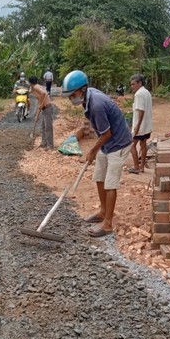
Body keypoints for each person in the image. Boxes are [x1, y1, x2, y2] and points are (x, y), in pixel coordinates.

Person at [61, 70, 132, 238]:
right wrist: (96, 150)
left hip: (119, 143)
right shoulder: (88, 97)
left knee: (110, 184)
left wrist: (92, 150)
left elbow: (107, 133)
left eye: (74, 95)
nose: (72, 98)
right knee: (99, 177)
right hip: (107, 143)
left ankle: (107, 224)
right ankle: (102, 212)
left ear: (83, 89)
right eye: (70, 96)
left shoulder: (96, 105)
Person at [129, 74, 153, 173]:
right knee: (143, 146)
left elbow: (141, 111)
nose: (132, 86)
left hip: (140, 126)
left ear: (140, 83)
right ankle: (142, 166)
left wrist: (137, 127)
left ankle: (136, 166)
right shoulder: (147, 92)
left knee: (131, 145)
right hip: (147, 126)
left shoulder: (138, 94)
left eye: (133, 84)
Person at [29, 75, 54, 150]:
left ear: (31, 83)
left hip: (47, 107)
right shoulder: (36, 87)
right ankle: (44, 143)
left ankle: (50, 146)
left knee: (48, 127)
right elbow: (40, 99)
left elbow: (44, 93)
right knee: (43, 127)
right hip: (44, 108)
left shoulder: (36, 87)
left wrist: (41, 104)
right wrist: (37, 115)